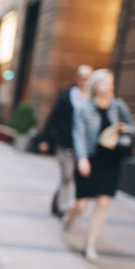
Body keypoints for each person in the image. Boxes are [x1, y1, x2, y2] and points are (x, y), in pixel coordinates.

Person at [62, 69, 135, 263]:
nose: (108, 86)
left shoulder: (118, 106)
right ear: (94, 86)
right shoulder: (83, 108)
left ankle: (90, 244)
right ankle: (70, 216)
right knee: (82, 204)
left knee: (103, 203)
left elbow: (132, 126)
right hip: (90, 159)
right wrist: (82, 158)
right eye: (104, 82)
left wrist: (126, 128)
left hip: (110, 161)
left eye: (110, 82)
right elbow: (79, 135)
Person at [38, 65, 93, 218]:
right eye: (82, 78)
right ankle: (62, 209)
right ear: (76, 79)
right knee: (67, 176)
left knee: (68, 178)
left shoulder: (93, 99)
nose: (85, 81)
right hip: (64, 143)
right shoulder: (66, 96)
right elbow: (53, 117)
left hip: (83, 146)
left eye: (88, 78)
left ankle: (57, 201)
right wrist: (45, 139)